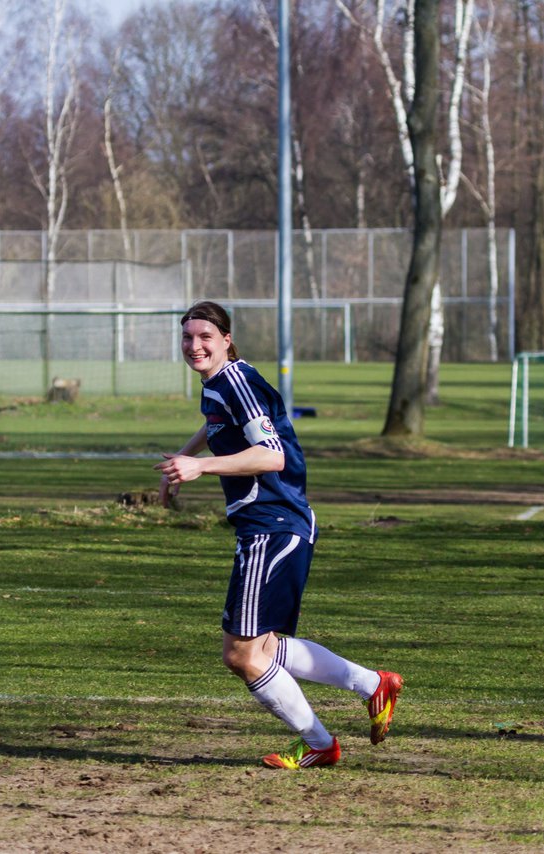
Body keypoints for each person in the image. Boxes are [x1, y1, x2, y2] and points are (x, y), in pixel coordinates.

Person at [155, 300, 402, 770]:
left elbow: (272, 455)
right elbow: (219, 423)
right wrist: (182, 458)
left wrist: (199, 466)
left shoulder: (237, 382)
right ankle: (374, 685)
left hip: (273, 525)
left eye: (205, 337)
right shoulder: (224, 382)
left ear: (226, 339)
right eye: (188, 337)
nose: (195, 346)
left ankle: (319, 743)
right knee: (261, 646)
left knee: (242, 654)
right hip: (276, 523)